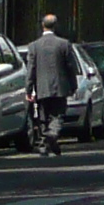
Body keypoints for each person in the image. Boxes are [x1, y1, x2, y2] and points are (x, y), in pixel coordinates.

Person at [27, 14, 82, 156]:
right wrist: (73, 85)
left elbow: (31, 69)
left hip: (42, 87)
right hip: (60, 87)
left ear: (42, 26)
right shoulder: (64, 44)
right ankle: (52, 137)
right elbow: (70, 66)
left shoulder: (34, 46)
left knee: (43, 116)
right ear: (55, 26)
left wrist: (29, 89)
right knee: (57, 115)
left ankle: (46, 144)